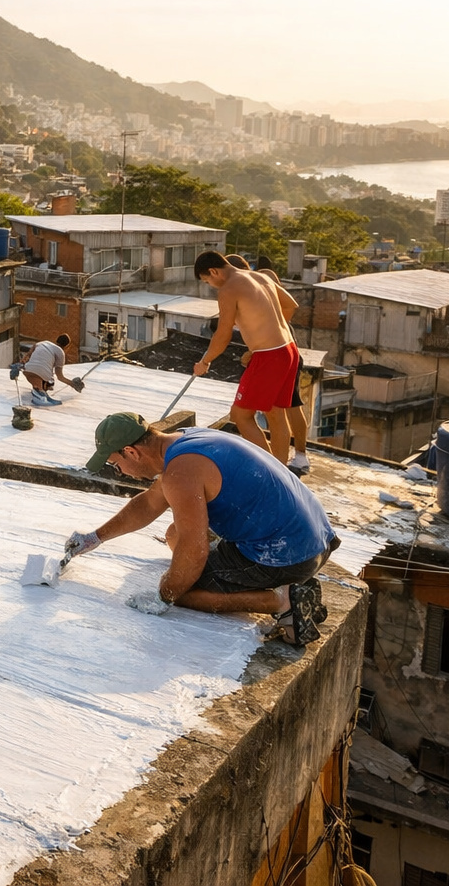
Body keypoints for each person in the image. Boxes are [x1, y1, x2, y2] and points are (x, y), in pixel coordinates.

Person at [71, 412, 337, 645]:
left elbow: (193, 550)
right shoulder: (185, 440)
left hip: (286, 555)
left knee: (185, 591)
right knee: (174, 534)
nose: (121, 472)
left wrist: (165, 595)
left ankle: (282, 600)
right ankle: (281, 585)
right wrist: (95, 538)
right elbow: (149, 504)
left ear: (131, 451)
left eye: (116, 465)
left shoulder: (181, 472)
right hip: (316, 539)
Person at [192, 251, 297, 466]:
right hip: (289, 349)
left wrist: (205, 362)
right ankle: (281, 470)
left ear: (214, 271)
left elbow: (223, 334)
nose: (211, 285)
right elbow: (290, 305)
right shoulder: (261, 276)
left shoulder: (229, 289)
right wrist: (265, 334)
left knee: (240, 415)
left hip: (270, 356)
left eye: (207, 280)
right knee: (277, 414)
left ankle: (269, 469)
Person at [252, 255, 311, 475]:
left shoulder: (262, 278)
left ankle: (296, 457)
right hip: (283, 347)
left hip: (280, 349)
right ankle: (295, 456)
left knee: (285, 407)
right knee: (284, 407)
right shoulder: (262, 279)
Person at [16, 334, 83, 407]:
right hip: (41, 373)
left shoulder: (42, 343)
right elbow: (60, 377)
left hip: (27, 370)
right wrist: (73, 384)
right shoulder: (60, 352)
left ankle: (38, 389)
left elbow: (27, 356)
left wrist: (20, 365)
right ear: (67, 346)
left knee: (36, 378)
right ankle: (39, 393)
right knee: (49, 380)